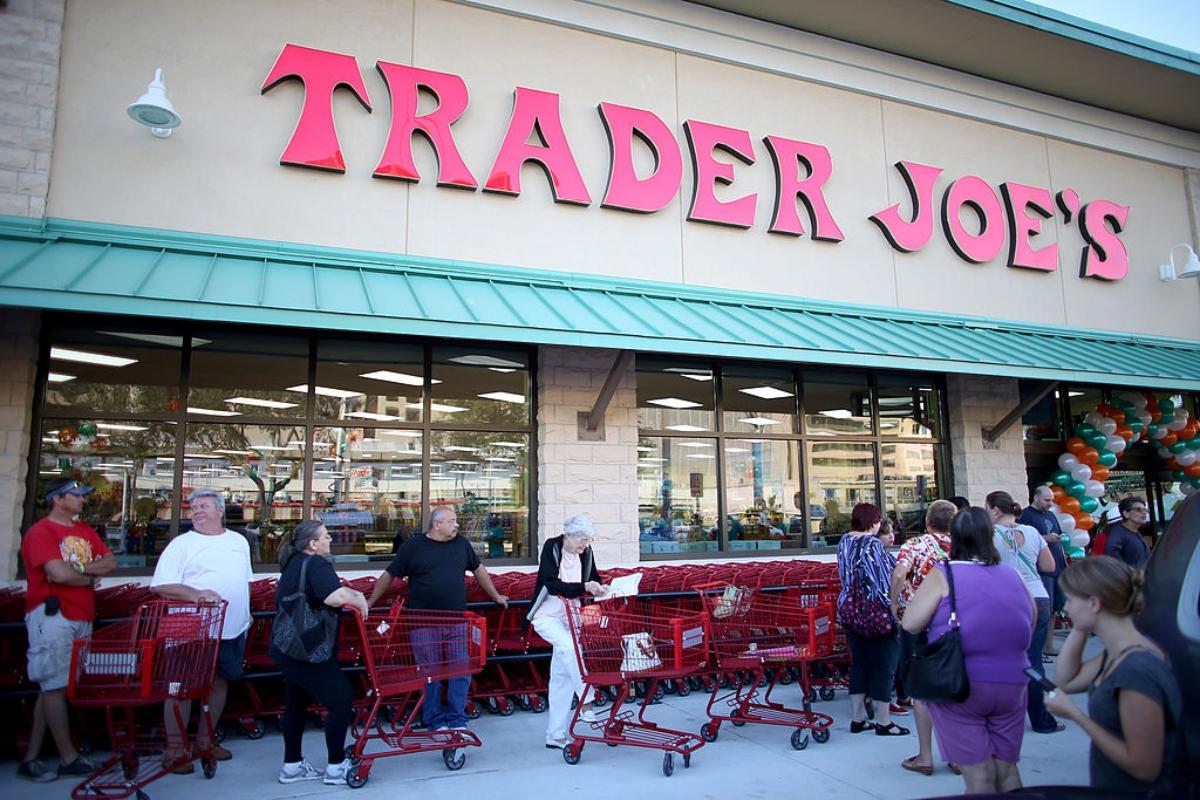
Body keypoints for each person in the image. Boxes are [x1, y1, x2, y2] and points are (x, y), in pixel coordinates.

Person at [902, 507, 1035, 794]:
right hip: (1013, 681)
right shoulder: (1014, 575)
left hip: (961, 684)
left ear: (956, 537)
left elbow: (911, 623)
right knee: (1007, 770)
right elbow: (1030, 620)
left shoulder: (943, 575)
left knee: (979, 778)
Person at [366, 506, 508, 731]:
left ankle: (457, 719)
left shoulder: (461, 544)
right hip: (422, 622)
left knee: (460, 671)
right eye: (452, 521)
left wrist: (496, 596)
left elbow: (479, 570)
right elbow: (390, 574)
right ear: (437, 524)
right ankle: (433, 719)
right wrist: (370, 602)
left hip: (456, 620)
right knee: (430, 674)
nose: (456, 525)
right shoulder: (413, 546)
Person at [1046, 558, 1182, 792]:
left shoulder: (1136, 670)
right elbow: (1066, 680)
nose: (1066, 608)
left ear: (1094, 603)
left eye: (1070, 600)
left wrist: (1075, 715)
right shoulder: (1119, 653)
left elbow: (1143, 767)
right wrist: (1081, 626)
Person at [17, 479, 115, 782]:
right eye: (77, 496)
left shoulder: (85, 531)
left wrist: (81, 571)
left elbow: (110, 562)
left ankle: (31, 758)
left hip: (82, 614)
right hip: (52, 615)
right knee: (54, 685)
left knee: (54, 686)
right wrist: (87, 578)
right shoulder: (40, 532)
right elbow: (56, 572)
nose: (83, 500)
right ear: (58, 499)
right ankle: (68, 757)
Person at [151, 488, 253, 772]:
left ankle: (205, 741)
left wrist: (247, 614)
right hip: (189, 629)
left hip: (231, 628)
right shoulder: (181, 545)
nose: (197, 511)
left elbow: (244, 580)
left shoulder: (238, 542)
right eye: (194, 507)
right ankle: (174, 750)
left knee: (219, 683)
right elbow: (161, 585)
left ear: (220, 511)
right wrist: (195, 595)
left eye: (204, 506)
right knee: (180, 689)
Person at [271, 521, 368, 786]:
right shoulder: (316, 564)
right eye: (326, 537)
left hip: (287, 647)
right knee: (341, 700)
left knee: (296, 702)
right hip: (310, 648)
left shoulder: (293, 562)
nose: (330, 541)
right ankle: (336, 768)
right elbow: (334, 597)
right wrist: (358, 597)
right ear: (313, 544)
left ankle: (292, 766)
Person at [526, 514, 608, 749]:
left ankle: (555, 734)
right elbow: (550, 583)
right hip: (546, 616)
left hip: (571, 619)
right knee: (570, 647)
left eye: (589, 540)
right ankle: (587, 700)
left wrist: (600, 588)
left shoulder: (586, 553)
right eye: (583, 539)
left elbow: (593, 577)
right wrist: (583, 587)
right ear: (569, 535)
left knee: (561, 678)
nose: (586, 545)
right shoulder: (553, 547)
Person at [987, 490, 1061, 735]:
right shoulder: (1032, 533)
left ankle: (1001, 717)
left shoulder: (988, 535)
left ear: (995, 510)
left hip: (1007, 600)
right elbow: (1049, 566)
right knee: (1034, 660)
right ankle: (1042, 718)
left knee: (1002, 660)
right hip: (1037, 597)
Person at [890, 499, 956, 776]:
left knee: (922, 689)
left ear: (928, 522)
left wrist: (894, 605)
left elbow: (899, 573)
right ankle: (957, 754)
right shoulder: (964, 545)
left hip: (921, 619)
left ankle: (926, 756)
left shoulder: (916, 545)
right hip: (956, 621)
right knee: (956, 686)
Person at [836, 502, 906, 737]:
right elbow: (882, 582)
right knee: (883, 665)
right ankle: (884, 721)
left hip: (850, 610)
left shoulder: (844, 541)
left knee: (860, 663)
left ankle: (858, 718)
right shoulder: (872, 544)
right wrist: (896, 608)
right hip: (874, 613)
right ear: (874, 522)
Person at [1018, 486, 1067, 657]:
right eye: (1047, 500)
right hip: (1040, 570)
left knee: (1053, 609)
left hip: (1056, 566)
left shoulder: (1051, 515)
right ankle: (1035, 648)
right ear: (1036, 498)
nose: (1050, 504)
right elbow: (1024, 541)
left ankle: (1049, 645)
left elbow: (1057, 534)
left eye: (1051, 500)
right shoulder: (1026, 516)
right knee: (1041, 611)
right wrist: (1047, 539)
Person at [1103, 497, 1151, 567]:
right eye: (1138, 509)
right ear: (1126, 514)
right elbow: (1113, 561)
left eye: (1145, 509)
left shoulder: (1135, 531)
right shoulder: (1117, 535)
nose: (1144, 513)